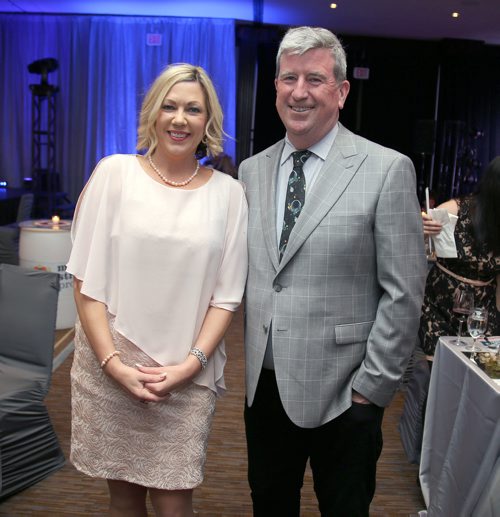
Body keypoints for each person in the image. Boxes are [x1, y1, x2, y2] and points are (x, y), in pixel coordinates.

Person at [238, 26, 427, 516]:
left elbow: (404, 291)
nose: (299, 92)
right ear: (276, 86)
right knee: (269, 505)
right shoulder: (250, 171)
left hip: (345, 394)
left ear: (341, 92)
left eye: (315, 79)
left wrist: (373, 388)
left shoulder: (385, 169)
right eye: (289, 78)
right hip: (265, 386)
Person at [66, 63, 248, 517]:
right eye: (169, 106)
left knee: (174, 498)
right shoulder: (114, 173)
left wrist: (191, 365)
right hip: (112, 361)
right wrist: (113, 364)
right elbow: (86, 283)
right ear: (153, 113)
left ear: (208, 122)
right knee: (123, 497)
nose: (179, 119)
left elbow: (226, 297)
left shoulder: (229, 194)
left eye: (193, 109)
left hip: (185, 374)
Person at [420, 156, 500, 358]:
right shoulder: (456, 209)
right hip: (440, 305)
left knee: (479, 372)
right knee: (437, 371)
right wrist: (421, 230)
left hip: (482, 314)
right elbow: (416, 247)